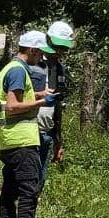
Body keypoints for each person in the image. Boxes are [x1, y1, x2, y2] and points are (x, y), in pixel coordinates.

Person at [0, 30, 51, 218]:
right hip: (21, 140)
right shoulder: (18, 71)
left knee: (10, 191)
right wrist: (43, 102)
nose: (41, 57)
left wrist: (40, 94)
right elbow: (12, 106)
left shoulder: (11, 68)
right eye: (40, 52)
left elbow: (14, 99)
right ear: (31, 50)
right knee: (28, 191)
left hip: (9, 140)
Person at [39, 18, 75, 185]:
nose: (59, 51)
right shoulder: (33, 63)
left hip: (46, 133)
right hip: (27, 131)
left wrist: (58, 140)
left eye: (63, 48)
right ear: (48, 40)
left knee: (39, 180)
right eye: (57, 46)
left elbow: (57, 104)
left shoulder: (59, 69)